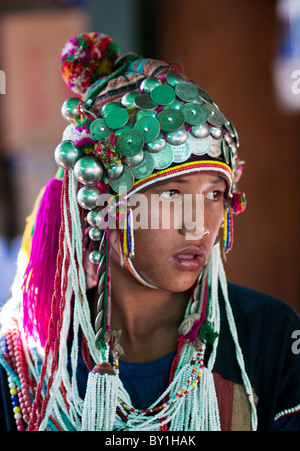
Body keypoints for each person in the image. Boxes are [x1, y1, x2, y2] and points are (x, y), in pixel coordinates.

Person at [0, 32, 299, 432]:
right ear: (102, 205)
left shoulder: (271, 334)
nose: (198, 225)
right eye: (171, 193)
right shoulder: (23, 358)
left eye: (215, 194)